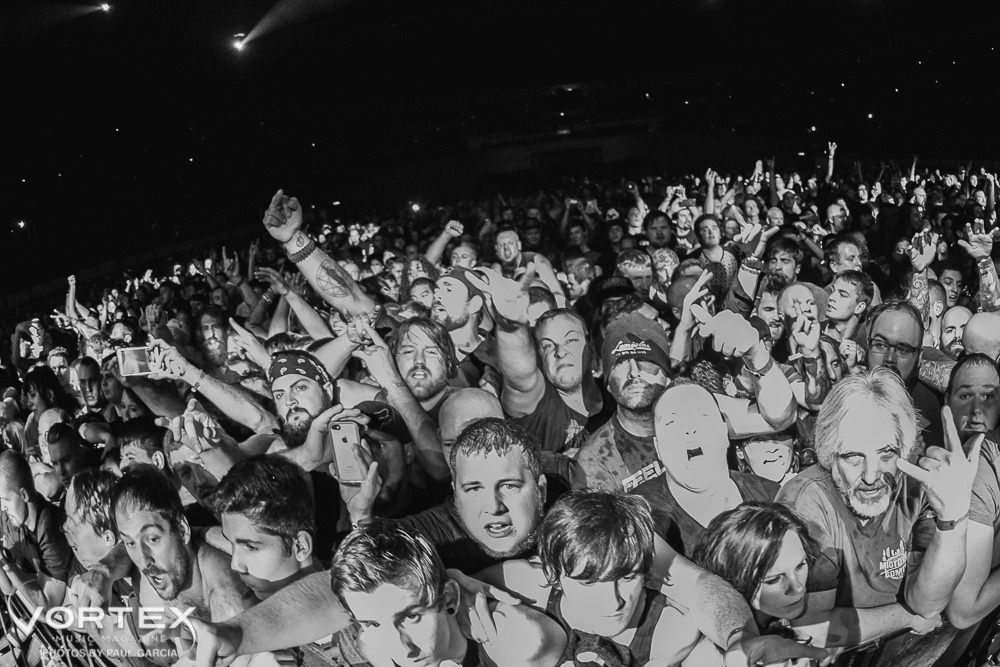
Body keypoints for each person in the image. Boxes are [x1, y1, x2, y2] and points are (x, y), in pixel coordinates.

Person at [777, 368, 981, 651]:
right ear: (829, 455)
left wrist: (953, 516)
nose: (872, 476)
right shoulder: (806, 501)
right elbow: (813, 628)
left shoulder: (916, 486)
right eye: (853, 456)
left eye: (886, 453)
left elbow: (927, 602)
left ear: (905, 447)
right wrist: (905, 617)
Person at [944, 354, 1000, 629]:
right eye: (966, 396)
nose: (977, 410)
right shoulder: (982, 470)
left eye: (989, 397)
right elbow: (962, 611)